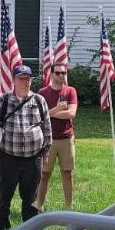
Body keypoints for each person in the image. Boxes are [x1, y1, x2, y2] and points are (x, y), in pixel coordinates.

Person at [0, 65, 51, 230]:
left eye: (27, 78)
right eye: (21, 78)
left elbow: (47, 128)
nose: (24, 82)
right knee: (4, 198)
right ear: (14, 80)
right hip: (8, 159)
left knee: (31, 200)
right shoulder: (4, 100)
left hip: (33, 159)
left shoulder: (39, 101)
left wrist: (46, 151)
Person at [35, 62, 78, 211]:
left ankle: (68, 207)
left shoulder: (70, 91)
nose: (61, 76)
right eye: (58, 73)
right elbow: (38, 116)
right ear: (51, 74)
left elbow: (71, 114)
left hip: (66, 138)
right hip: (48, 139)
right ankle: (39, 206)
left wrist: (49, 113)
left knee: (67, 174)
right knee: (44, 174)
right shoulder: (42, 93)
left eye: (63, 73)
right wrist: (57, 110)